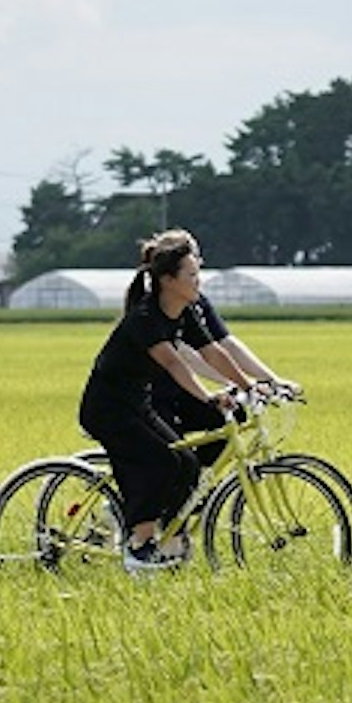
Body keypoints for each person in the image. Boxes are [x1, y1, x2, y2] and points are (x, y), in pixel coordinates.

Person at [77, 230, 294, 574]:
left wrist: (251, 385)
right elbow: (174, 363)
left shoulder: (186, 311)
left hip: (137, 402)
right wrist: (209, 396)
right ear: (168, 280)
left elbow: (214, 352)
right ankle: (139, 545)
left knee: (187, 463)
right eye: (191, 275)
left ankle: (168, 538)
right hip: (108, 407)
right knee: (161, 463)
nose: (199, 281)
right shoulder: (145, 318)